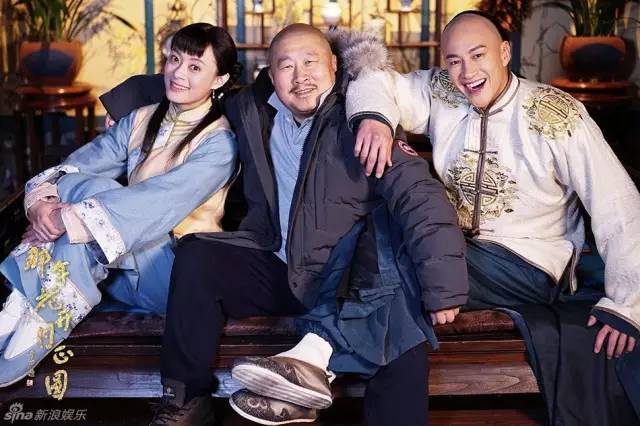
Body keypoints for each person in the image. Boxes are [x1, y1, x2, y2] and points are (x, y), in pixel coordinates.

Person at [102, 24, 468, 426]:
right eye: (286, 66)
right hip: (278, 265)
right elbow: (191, 82)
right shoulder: (251, 109)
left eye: (311, 62)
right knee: (197, 257)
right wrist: (123, 105)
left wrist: (444, 288)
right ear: (271, 73)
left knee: (397, 331)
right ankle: (185, 400)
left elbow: (420, 196)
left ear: (334, 64)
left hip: (345, 276)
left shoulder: (363, 119)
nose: (300, 77)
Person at [346, 10, 640, 424]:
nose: (467, 73)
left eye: (478, 55)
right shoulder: (444, 92)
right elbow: (374, 80)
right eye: (454, 61)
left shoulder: (557, 114)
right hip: (456, 249)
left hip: (528, 264)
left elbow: (618, 202)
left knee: (394, 265)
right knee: (389, 254)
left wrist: (627, 304)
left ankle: (323, 362)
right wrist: (375, 120)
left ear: (504, 53)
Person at [0, 23, 240, 391]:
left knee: (94, 196)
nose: (178, 73)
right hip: (123, 266)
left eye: (195, 67)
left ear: (219, 79)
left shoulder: (218, 144)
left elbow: (155, 202)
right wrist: (42, 206)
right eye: (175, 59)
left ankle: (42, 309)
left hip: (176, 273)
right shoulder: (142, 119)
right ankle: (31, 297)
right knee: (83, 186)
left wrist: (66, 219)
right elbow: (77, 166)